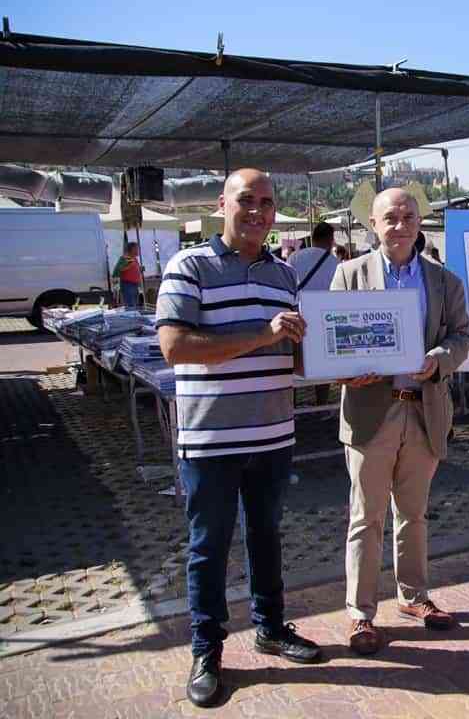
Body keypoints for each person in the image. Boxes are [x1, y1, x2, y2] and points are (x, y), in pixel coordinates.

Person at [156, 169, 322, 709]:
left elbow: (293, 354)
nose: (257, 211)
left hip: (274, 433)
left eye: (267, 203)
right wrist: (264, 334)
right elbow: (176, 346)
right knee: (208, 547)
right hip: (211, 439)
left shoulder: (283, 273)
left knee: (267, 535)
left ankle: (270, 627)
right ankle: (206, 650)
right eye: (246, 200)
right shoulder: (189, 265)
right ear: (221, 204)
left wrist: (343, 358)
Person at [332, 188, 469, 656]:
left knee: (413, 514)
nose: (400, 224)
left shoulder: (444, 280)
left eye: (409, 216)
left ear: (419, 223)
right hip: (371, 410)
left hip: (424, 408)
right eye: (390, 217)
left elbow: (462, 335)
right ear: (373, 224)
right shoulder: (349, 274)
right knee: (365, 517)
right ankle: (360, 614)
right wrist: (347, 367)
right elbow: (334, 340)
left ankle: (413, 597)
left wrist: (438, 360)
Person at [288, 222, 340, 407]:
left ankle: (291, 406)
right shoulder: (335, 262)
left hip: (298, 317)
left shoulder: (295, 257)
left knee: (293, 363)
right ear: (330, 239)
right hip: (324, 319)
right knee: (322, 365)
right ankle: (322, 404)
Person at [113, 241, 143, 309]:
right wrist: (128, 266)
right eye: (137, 248)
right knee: (130, 305)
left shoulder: (134, 259)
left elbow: (133, 270)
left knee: (135, 305)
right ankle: (131, 318)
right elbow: (117, 271)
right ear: (132, 249)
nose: (138, 250)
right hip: (128, 285)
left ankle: (134, 318)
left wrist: (140, 269)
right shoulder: (125, 258)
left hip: (135, 285)